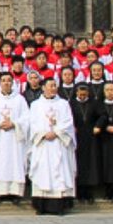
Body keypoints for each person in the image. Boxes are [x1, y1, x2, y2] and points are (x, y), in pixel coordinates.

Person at [29, 78, 76, 215]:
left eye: (55, 85)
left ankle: (58, 207)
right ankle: (41, 206)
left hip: (58, 143)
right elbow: (32, 123)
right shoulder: (35, 105)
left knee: (59, 171)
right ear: (43, 88)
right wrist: (44, 133)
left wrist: (56, 132)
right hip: (43, 143)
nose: (53, 88)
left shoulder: (63, 104)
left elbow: (68, 122)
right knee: (42, 171)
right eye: (50, 86)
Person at [0, 72, 30, 203]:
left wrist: (14, 123)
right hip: (1, 137)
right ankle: (2, 192)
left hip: (15, 137)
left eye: (9, 80)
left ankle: (16, 193)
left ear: (13, 83)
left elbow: (26, 119)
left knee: (15, 162)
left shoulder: (20, 99)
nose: (6, 83)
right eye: (3, 80)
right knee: (1, 163)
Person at [69, 83, 102, 204]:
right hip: (77, 137)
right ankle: (79, 192)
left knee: (90, 164)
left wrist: (98, 126)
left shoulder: (94, 103)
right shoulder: (71, 104)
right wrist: (72, 127)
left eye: (84, 94)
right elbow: (67, 118)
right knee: (78, 164)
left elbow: (102, 116)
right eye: (80, 94)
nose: (82, 97)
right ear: (76, 93)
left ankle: (89, 192)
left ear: (88, 93)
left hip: (90, 137)